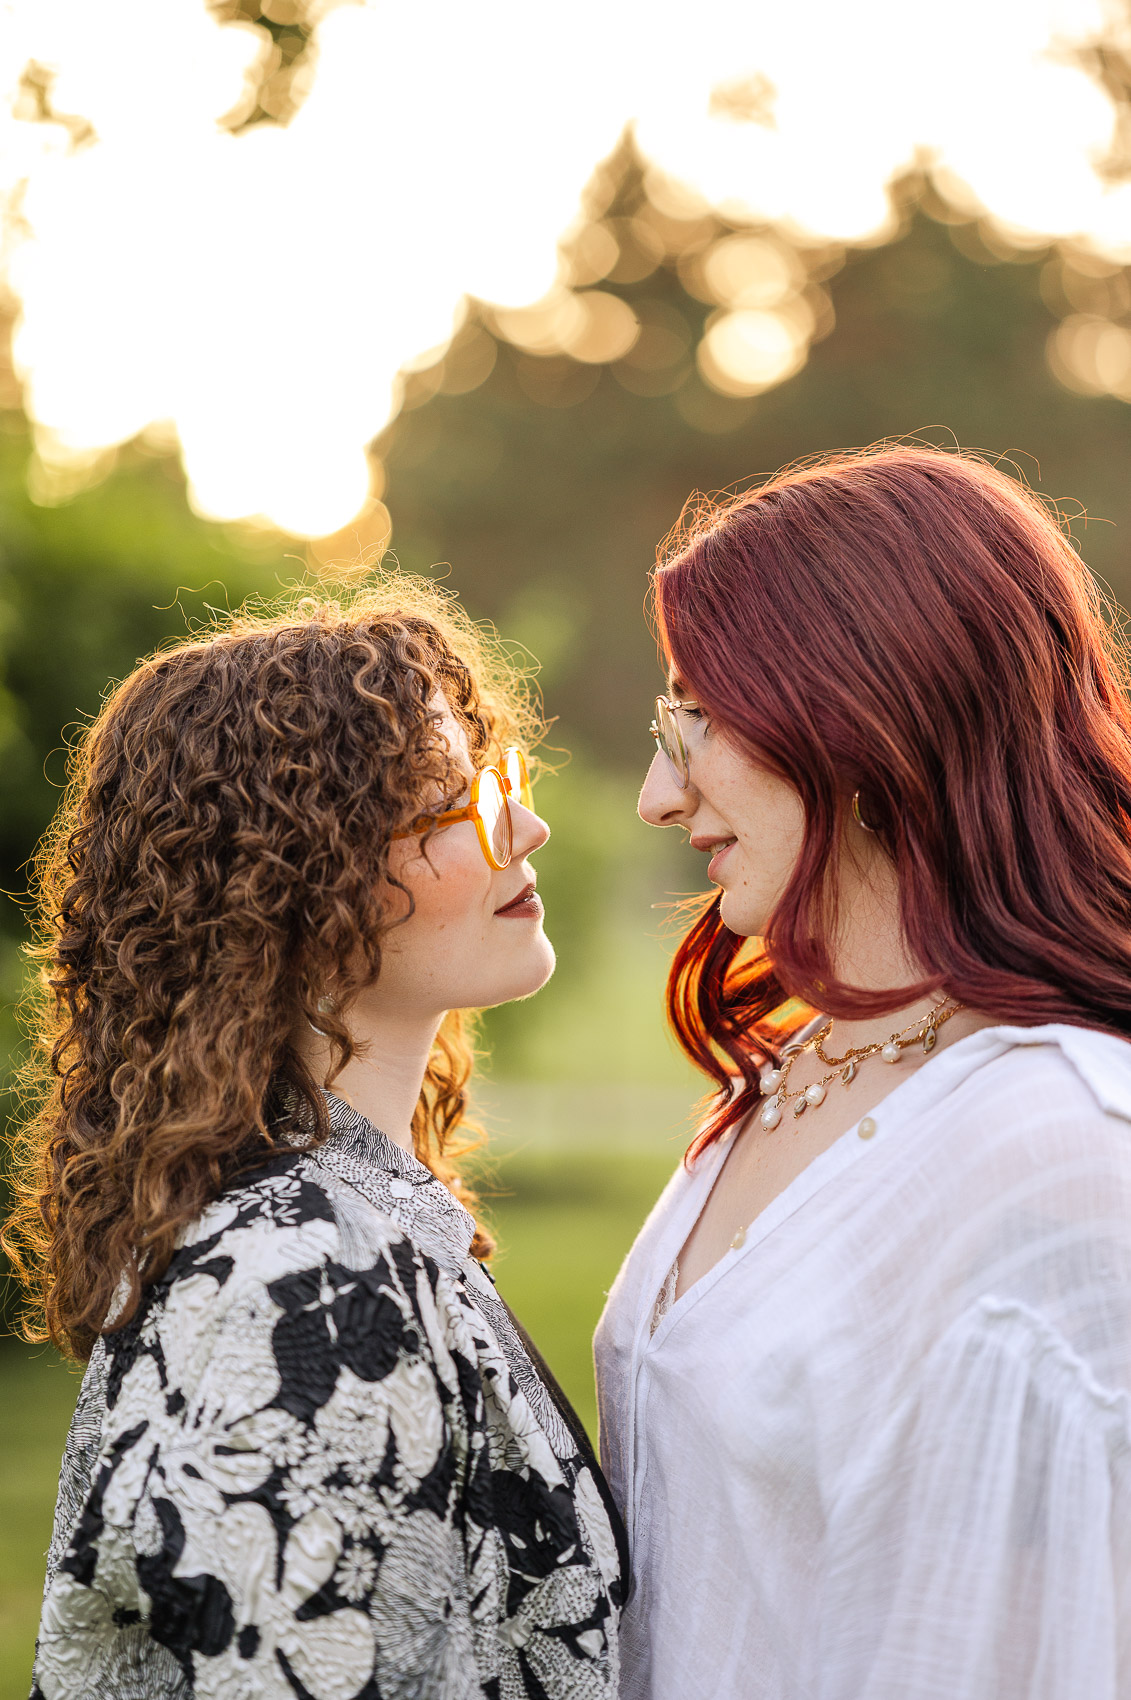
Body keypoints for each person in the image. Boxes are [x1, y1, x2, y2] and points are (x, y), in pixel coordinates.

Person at [6, 580, 625, 1700]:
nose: (525, 826)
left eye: (501, 780)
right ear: (289, 881)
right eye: (453, 801)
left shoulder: (344, 1216)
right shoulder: (299, 1282)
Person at [595, 446, 1131, 1700]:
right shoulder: (796, 1066)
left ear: (861, 711)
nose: (656, 794)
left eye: (701, 720)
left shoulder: (1061, 1141)